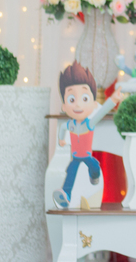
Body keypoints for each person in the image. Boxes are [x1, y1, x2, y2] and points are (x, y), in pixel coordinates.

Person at [53, 62, 125, 209]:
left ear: (92, 104)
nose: (78, 105)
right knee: (70, 173)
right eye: (72, 100)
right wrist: (61, 140)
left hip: (87, 156)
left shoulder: (89, 124)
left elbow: (102, 112)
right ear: (64, 107)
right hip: (75, 157)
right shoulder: (70, 125)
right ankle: (65, 195)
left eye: (84, 99)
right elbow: (62, 128)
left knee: (94, 166)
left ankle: (95, 176)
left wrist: (113, 100)